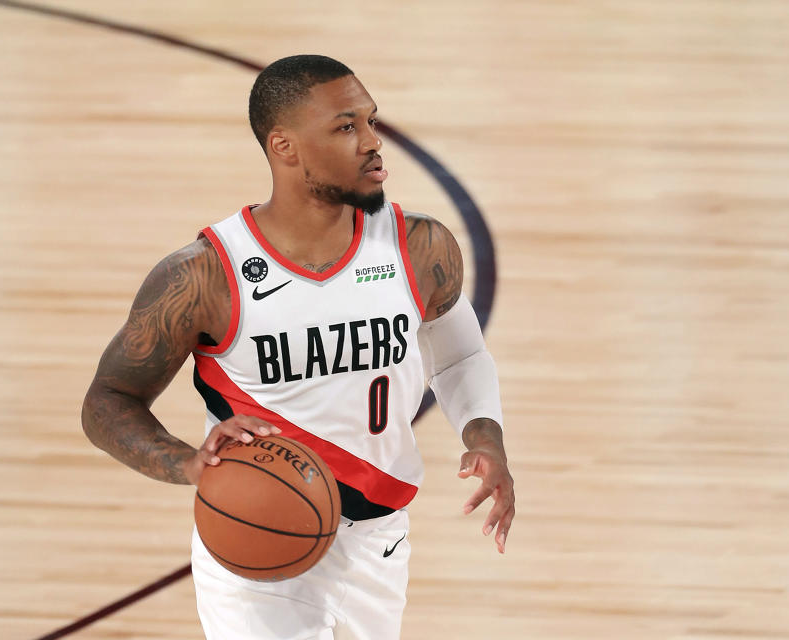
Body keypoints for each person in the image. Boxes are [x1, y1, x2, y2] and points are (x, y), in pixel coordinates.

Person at [81, 54, 515, 640]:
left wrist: (484, 435)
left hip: (381, 541)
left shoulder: (419, 246)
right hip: (256, 542)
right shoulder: (207, 274)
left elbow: (460, 355)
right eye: (345, 127)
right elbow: (108, 399)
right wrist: (186, 463)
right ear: (284, 147)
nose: (370, 142)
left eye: (370, 121)